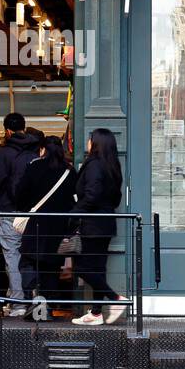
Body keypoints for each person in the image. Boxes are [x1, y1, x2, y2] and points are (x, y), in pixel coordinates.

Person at [70, 128, 129, 326]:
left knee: (81, 268)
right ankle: (96, 313)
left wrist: (74, 213)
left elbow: (92, 194)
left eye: (90, 139)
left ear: (95, 143)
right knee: (97, 269)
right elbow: (115, 198)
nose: (87, 143)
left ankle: (115, 299)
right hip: (105, 223)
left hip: (92, 225)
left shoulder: (94, 165)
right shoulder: (112, 166)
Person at [14, 135, 77, 321]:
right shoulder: (69, 172)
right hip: (58, 226)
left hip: (36, 224)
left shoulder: (34, 167)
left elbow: (21, 194)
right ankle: (46, 307)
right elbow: (74, 202)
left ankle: (32, 300)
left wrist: (27, 208)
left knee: (28, 263)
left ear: (43, 149)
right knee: (51, 267)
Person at [0, 113, 41, 315]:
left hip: (10, 212)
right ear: (24, 127)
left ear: (7, 131)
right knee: (29, 257)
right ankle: (29, 300)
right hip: (33, 214)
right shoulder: (36, 151)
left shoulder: (4, 153)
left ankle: (19, 303)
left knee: (12, 257)